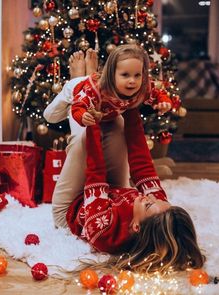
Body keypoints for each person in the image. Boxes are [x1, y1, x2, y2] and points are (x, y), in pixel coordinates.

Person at [44, 45, 171, 228]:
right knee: (53, 116)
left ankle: (89, 76)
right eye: (125, 75)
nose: (132, 81)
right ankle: (79, 77)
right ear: (112, 75)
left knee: (118, 123)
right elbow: (78, 109)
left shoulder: (142, 88)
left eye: (137, 75)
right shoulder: (93, 89)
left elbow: (158, 95)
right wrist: (82, 115)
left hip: (108, 113)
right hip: (83, 98)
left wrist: (163, 103)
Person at [66, 108, 206, 274]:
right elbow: (142, 163)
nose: (150, 197)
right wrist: (131, 107)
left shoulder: (104, 231)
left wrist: (92, 125)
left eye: (148, 205)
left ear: (136, 227)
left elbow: (95, 173)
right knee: (117, 122)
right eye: (159, 200)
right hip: (111, 192)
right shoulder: (158, 208)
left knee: (83, 136)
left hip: (73, 203)